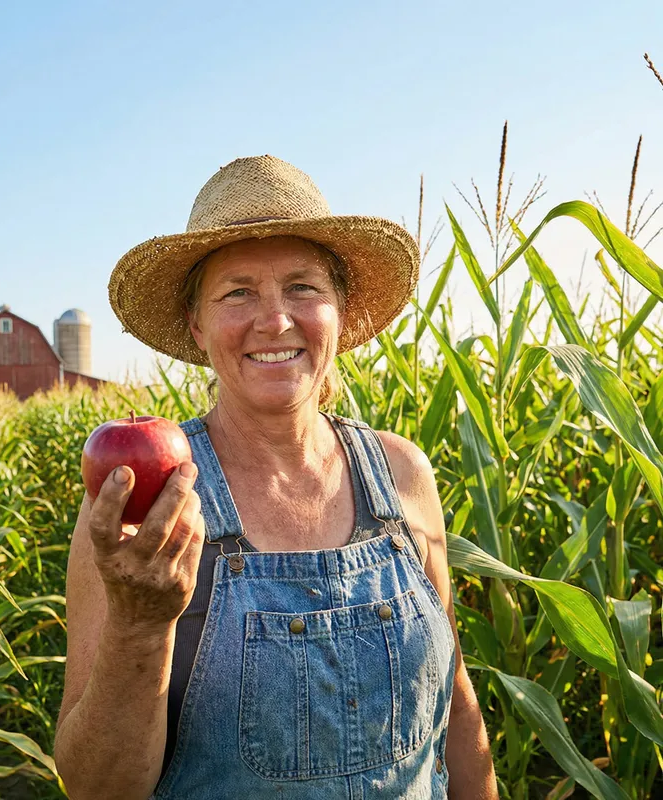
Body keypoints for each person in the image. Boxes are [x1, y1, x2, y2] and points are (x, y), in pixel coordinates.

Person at [54, 155, 498, 799]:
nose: (275, 319)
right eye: (238, 292)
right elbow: (97, 787)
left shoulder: (402, 474)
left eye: (303, 287)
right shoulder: (146, 507)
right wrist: (139, 624)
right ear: (196, 324)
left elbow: (455, 704)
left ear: (340, 313)